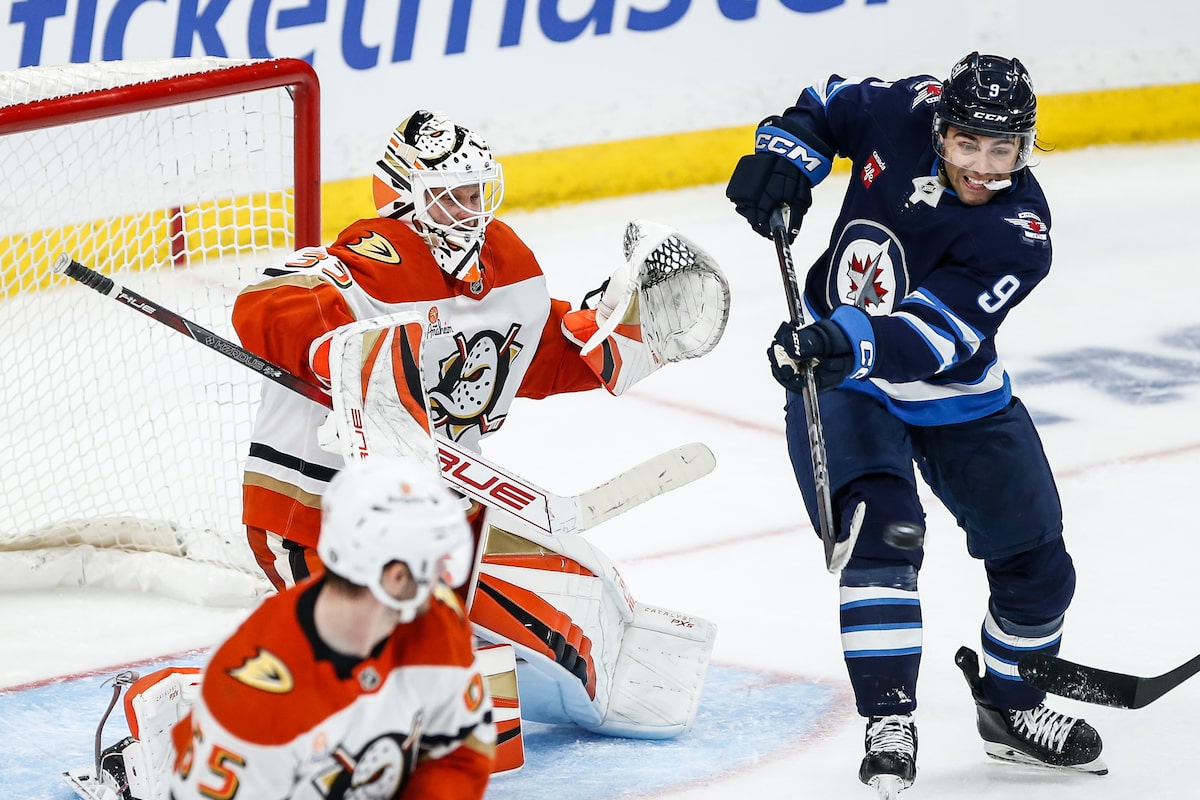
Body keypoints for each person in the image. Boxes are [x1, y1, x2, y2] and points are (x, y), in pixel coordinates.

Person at [231, 110, 725, 740]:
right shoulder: (374, 260)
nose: (469, 210)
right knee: (393, 698)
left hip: (435, 517)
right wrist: (338, 349)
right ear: (404, 198)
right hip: (316, 515)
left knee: (571, 616)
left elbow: (533, 356)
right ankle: (193, 725)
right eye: (450, 195)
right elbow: (266, 304)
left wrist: (614, 331)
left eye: (476, 192)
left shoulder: (505, 265)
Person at [725, 52, 1106, 795]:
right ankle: (889, 720)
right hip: (847, 387)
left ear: (1026, 146)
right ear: (940, 129)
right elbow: (829, 100)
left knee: (1037, 563)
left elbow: (930, 338)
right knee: (883, 533)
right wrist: (788, 156)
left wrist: (836, 342)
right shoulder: (904, 108)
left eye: (1004, 149)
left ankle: (1011, 706)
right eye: (968, 144)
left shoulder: (1019, 232)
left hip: (952, 392)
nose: (984, 167)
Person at [169, 455, 495, 799]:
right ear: (396, 577)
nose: (440, 582)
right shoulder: (249, 701)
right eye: (432, 564)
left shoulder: (437, 621)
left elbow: (461, 753)